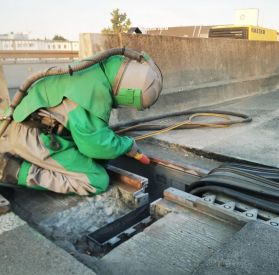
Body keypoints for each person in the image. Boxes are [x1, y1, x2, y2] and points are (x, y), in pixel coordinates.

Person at [0, 49, 162, 195]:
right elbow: (96, 146)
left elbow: (87, 131)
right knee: (96, 180)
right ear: (129, 91)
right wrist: (128, 145)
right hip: (31, 137)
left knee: (94, 161)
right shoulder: (94, 92)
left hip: (20, 125)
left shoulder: (95, 71)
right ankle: (14, 170)